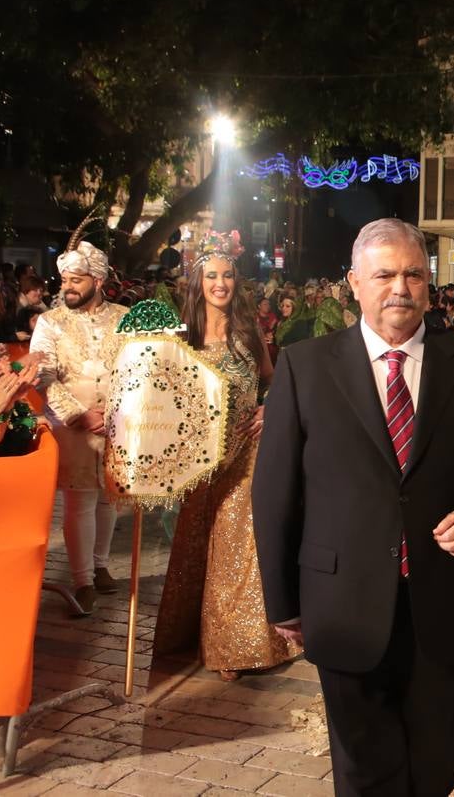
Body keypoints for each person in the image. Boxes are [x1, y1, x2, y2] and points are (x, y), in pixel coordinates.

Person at [253, 219, 454, 796]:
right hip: (342, 602)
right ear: (354, 282)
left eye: (412, 273)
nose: (399, 288)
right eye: (384, 274)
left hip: (443, 601)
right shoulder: (304, 366)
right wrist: (282, 602)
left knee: (440, 755)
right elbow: (275, 490)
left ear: (429, 283)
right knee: (365, 769)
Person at [154, 232, 299, 680]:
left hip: (248, 450)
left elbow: (274, 380)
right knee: (202, 539)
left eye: (228, 276)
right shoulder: (184, 332)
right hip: (202, 455)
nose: (221, 284)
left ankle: (238, 644)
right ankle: (203, 636)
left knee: (240, 542)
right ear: (199, 282)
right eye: (212, 276)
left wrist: (267, 410)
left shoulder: (247, 328)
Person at [29, 239, 126, 615]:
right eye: (65, 279)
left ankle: (101, 564)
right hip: (71, 425)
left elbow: (139, 368)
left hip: (118, 422)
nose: (67, 287)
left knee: (109, 496)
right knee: (81, 499)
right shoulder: (51, 322)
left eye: (77, 280)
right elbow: (42, 376)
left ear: (98, 281)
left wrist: (116, 413)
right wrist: (78, 414)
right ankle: (83, 579)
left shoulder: (123, 316)